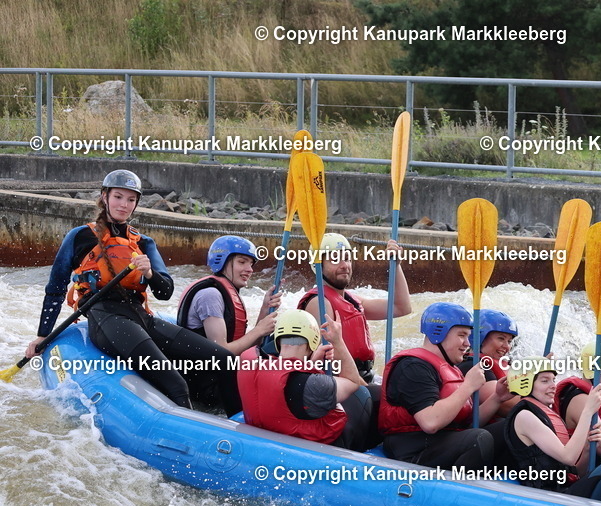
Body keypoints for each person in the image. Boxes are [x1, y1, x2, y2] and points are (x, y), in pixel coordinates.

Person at [25, 169, 239, 413]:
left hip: (141, 318)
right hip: (106, 318)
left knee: (225, 360)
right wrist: (42, 335)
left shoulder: (144, 243)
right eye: (118, 197)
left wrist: (150, 273)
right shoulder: (80, 236)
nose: (123, 205)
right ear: (104, 197)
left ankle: (240, 423)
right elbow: (55, 288)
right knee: (176, 384)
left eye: (130, 199)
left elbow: (166, 292)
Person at [378, 302, 511, 471]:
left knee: (510, 425)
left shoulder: (451, 368)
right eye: (461, 335)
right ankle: (463, 487)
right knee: (478, 438)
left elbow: (468, 424)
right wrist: (468, 386)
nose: (467, 343)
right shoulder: (413, 366)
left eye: (468, 336)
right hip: (413, 448)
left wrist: (497, 398)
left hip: (442, 440)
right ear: (438, 333)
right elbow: (430, 422)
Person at [237, 309, 374, 451]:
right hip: (309, 445)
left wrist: (310, 364)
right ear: (313, 343)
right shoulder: (314, 385)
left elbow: (285, 377)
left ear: (278, 340)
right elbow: (352, 381)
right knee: (362, 394)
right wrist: (338, 341)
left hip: (266, 428)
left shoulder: (247, 361)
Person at [505, 358, 601, 503]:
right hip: (547, 495)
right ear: (524, 384)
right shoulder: (524, 416)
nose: (553, 386)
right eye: (544, 381)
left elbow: (574, 472)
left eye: (553, 380)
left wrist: (587, 449)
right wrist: (588, 411)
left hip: (563, 487)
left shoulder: (544, 414)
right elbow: (568, 457)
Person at [300, 233, 411, 384]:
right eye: (335, 259)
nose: (344, 265)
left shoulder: (352, 300)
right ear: (318, 265)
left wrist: (396, 266)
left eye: (347, 258)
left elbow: (401, 307)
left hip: (364, 376)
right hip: (343, 383)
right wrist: (366, 390)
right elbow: (330, 364)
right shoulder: (319, 302)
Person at [177, 235, 280, 355]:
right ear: (221, 261)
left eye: (251, 264)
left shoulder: (227, 293)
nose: (250, 270)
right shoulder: (210, 296)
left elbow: (248, 348)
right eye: (242, 262)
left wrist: (265, 309)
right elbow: (221, 352)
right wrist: (258, 330)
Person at [457, 309, 519, 416]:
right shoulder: (473, 365)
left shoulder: (501, 364)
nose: (507, 346)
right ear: (480, 338)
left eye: (509, 341)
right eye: (501, 339)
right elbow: (508, 405)